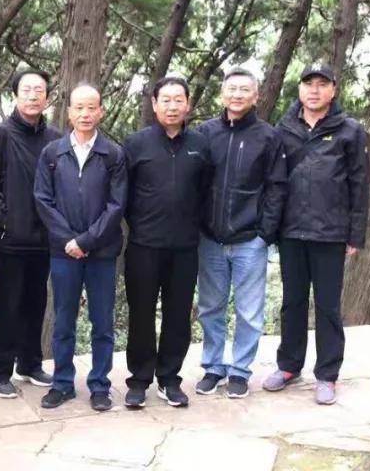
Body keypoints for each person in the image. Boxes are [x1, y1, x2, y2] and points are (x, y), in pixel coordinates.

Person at [264, 63, 368, 406]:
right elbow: (273, 181)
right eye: (309, 84)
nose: (315, 90)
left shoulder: (350, 131)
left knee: (327, 306)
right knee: (292, 302)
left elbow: (360, 184)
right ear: (300, 89)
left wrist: (355, 234)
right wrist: (271, 227)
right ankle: (289, 366)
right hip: (291, 231)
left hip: (330, 233)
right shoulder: (283, 129)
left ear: (333, 90)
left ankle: (327, 374)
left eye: (322, 84)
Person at [33, 83, 127, 411]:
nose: (85, 114)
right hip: (63, 253)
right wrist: (68, 241)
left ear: (101, 111)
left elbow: (117, 205)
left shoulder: (113, 154)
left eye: (91, 108)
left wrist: (86, 241)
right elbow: (43, 200)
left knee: (102, 322)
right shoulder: (52, 153)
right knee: (63, 321)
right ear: (69, 111)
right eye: (79, 108)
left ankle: (100, 385)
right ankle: (62, 383)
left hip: (102, 253)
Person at [195, 68, 286, 399]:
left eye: (244, 89)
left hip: (250, 240)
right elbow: (195, 182)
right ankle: (213, 367)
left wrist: (265, 233)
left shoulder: (269, 137)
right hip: (209, 238)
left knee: (249, 312)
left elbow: (277, 187)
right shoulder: (205, 133)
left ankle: (240, 371)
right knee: (210, 307)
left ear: (255, 96)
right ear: (223, 94)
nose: (237, 95)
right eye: (231, 89)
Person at [0, 69, 61, 398]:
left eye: (39, 90)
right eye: (27, 90)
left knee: (35, 303)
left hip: (44, 240)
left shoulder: (55, 139)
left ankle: (30, 363)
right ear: (15, 95)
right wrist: (5, 222)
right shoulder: (0, 135)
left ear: (48, 97)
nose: (33, 95)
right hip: (9, 240)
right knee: (5, 306)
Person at [121, 77, 211, 409]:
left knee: (178, 315)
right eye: (166, 100)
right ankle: (139, 379)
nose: (172, 106)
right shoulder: (136, 144)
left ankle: (169, 379)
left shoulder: (200, 145)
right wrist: (141, 225)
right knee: (141, 314)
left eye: (178, 100)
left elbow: (205, 192)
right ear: (154, 104)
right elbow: (123, 195)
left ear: (188, 104)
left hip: (185, 247)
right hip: (144, 246)